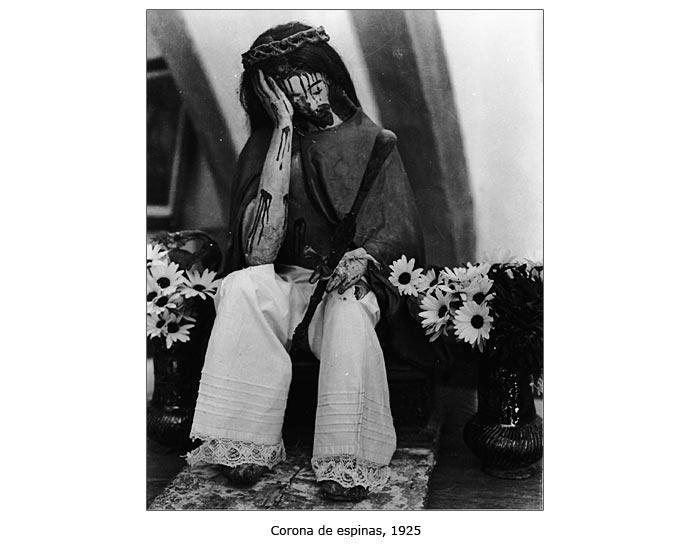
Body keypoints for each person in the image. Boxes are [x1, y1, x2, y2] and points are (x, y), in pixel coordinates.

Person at [186, 22, 425, 501]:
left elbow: (399, 233)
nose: (309, 102)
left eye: (314, 87)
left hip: (348, 283)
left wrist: (363, 259)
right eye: (289, 98)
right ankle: (245, 444)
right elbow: (258, 254)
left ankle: (347, 460)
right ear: (270, 99)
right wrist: (283, 131)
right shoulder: (264, 147)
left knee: (348, 308)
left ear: (331, 78)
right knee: (243, 287)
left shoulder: (373, 141)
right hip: (290, 281)